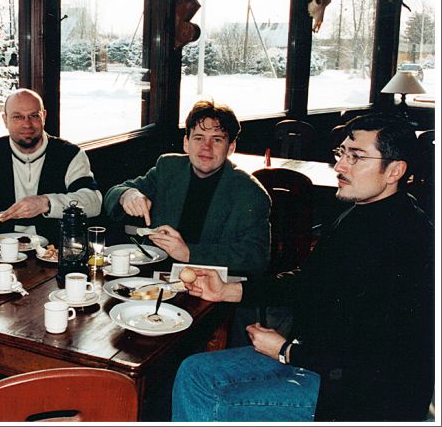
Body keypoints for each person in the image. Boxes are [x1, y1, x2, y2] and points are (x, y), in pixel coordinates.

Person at [172, 113, 434, 422]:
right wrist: (228, 290)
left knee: (216, 399)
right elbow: (308, 281)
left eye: (356, 157)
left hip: (362, 396)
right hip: (318, 362)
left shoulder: (409, 242)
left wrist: (287, 352)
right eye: (341, 153)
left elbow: (382, 362)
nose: (339, 166)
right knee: (194, 371)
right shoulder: (358, 213)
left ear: (395, 171)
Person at [104, 99, 270, 275]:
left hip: (210, 286)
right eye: (198, 138)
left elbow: (256, 257)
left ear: (231, 148)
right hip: (153, 278)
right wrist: (128, 194)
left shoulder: (250, 193)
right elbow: (113, 194)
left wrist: (189, 253)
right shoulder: (168, 168)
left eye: (217, 140)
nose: (206, 147)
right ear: (186, 143)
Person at [0, 88, 102, 242]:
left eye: (33, 116)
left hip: (54, 252)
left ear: (43, 116)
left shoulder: (70, 154)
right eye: (17, 117)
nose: (27, 124)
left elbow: (94, 202)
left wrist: (46, 203)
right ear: (5, 120)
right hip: (0, 253)